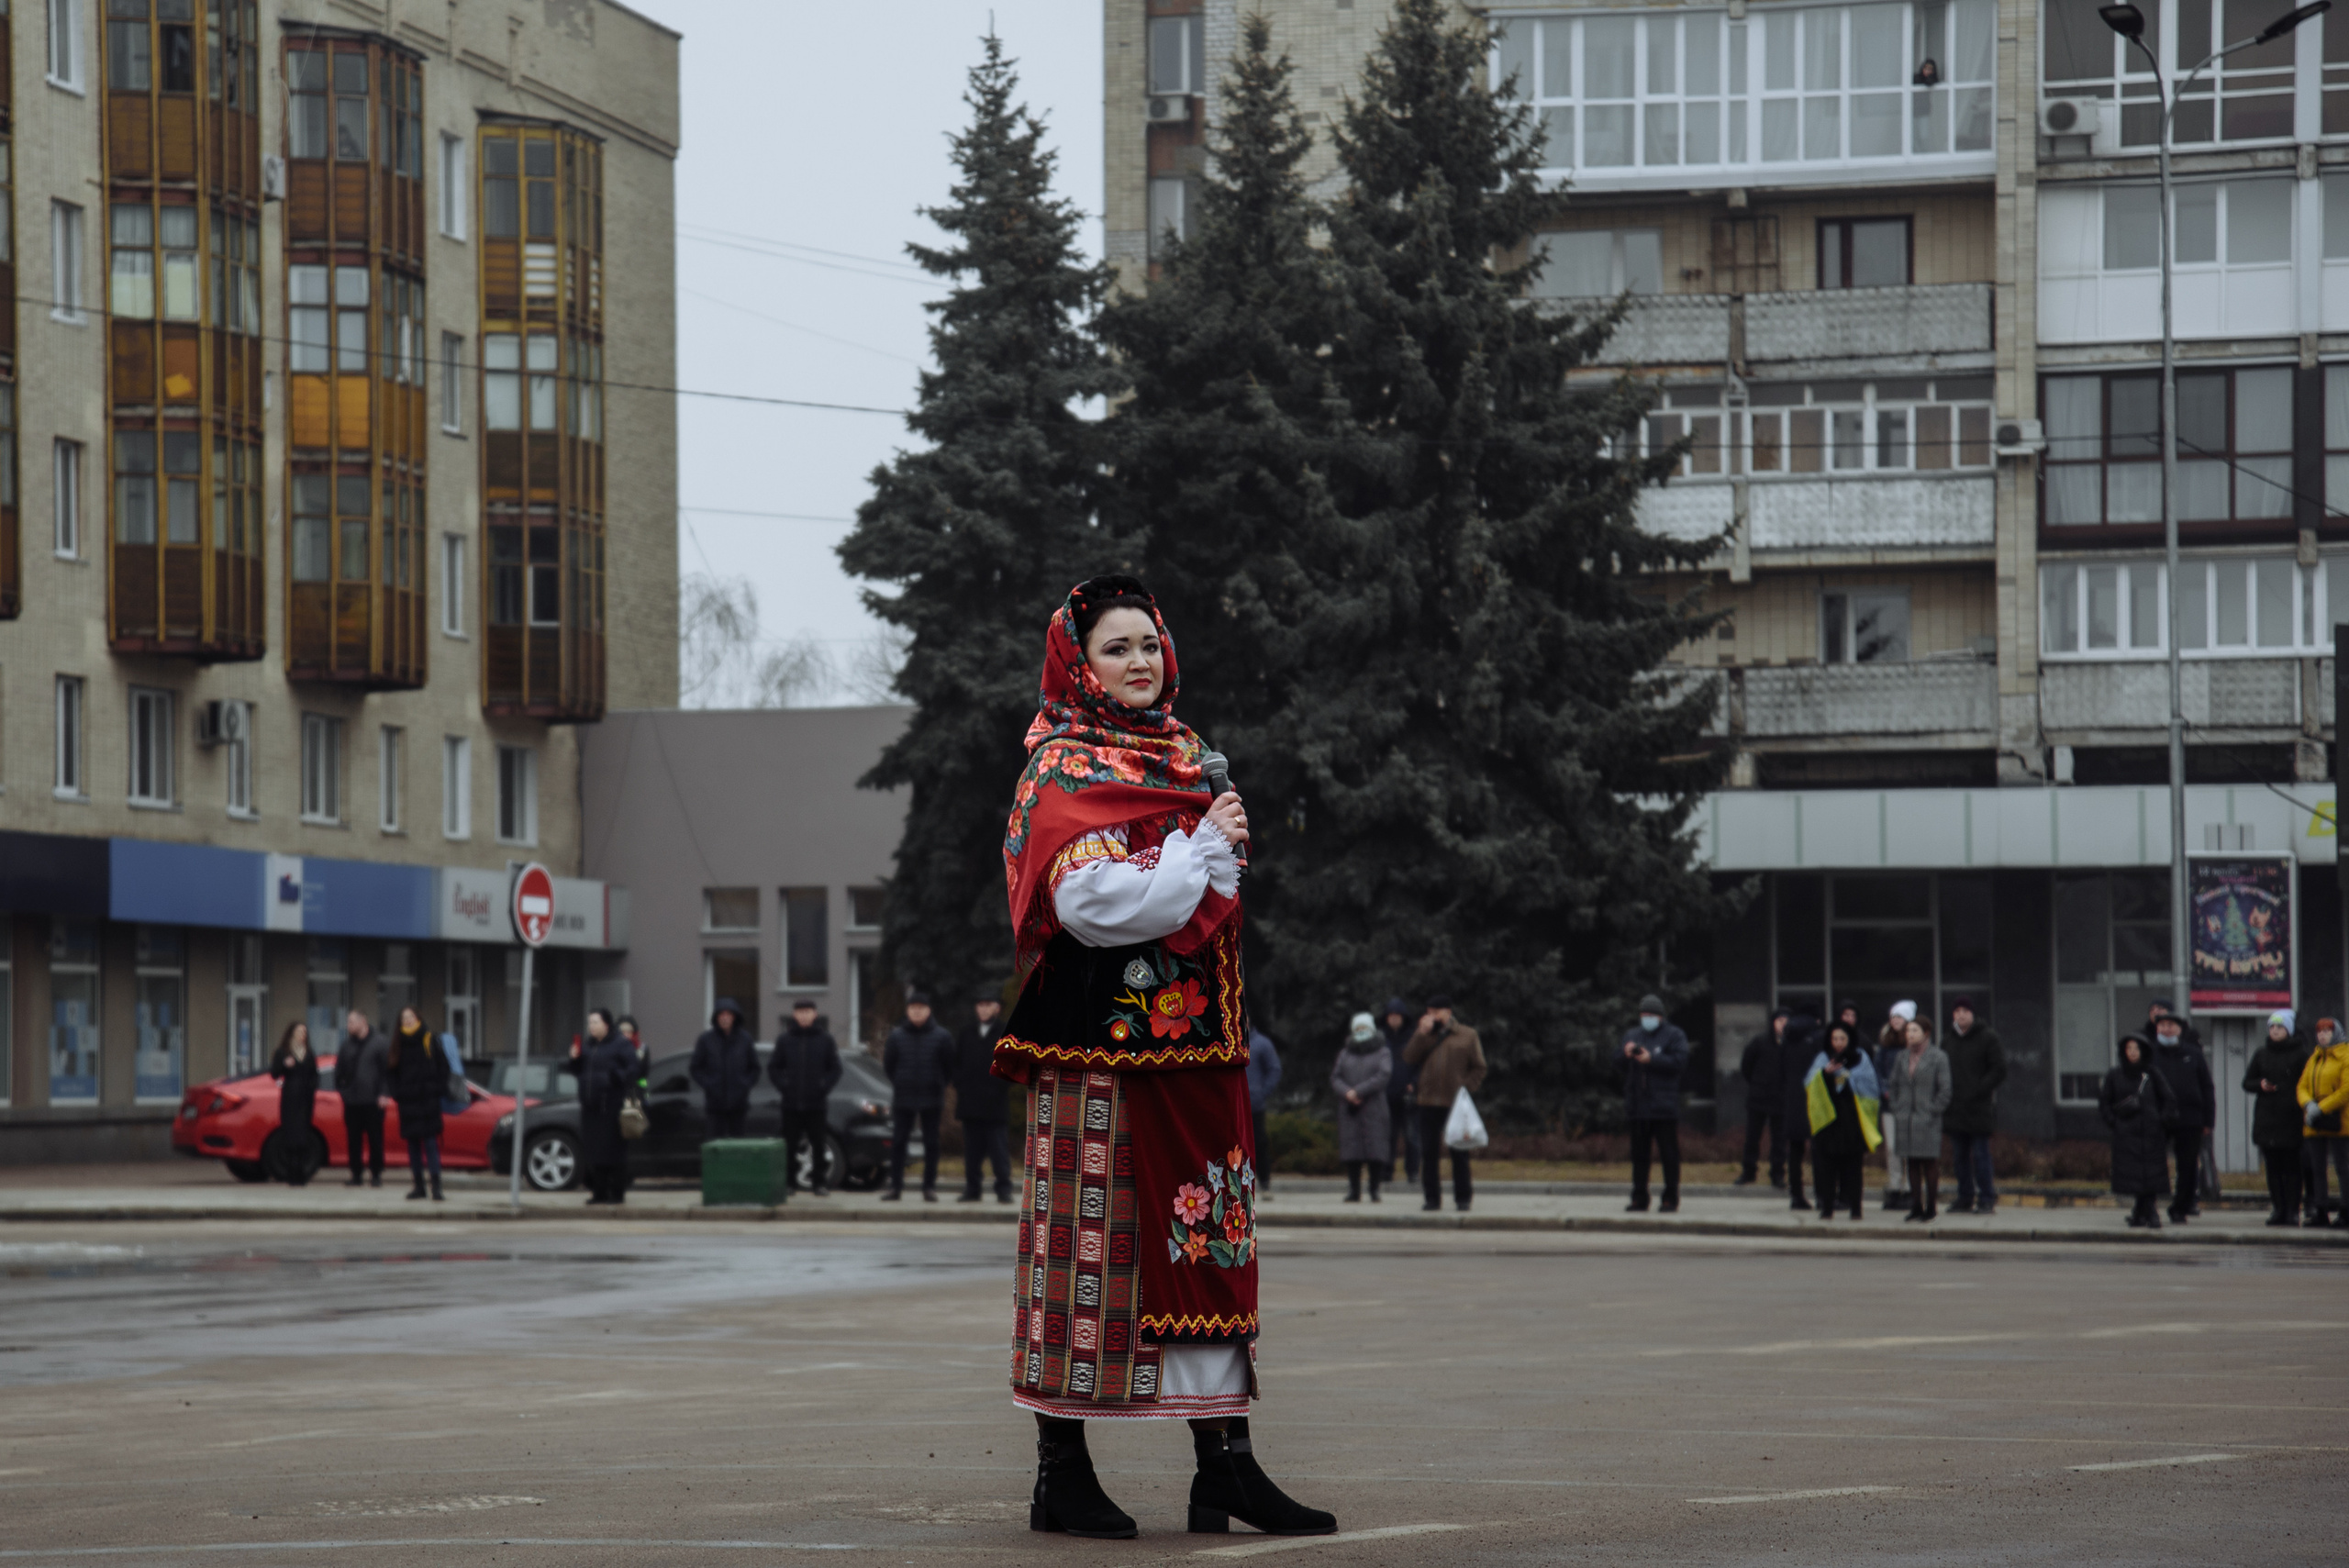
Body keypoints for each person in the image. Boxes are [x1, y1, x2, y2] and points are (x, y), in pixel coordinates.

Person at [990, 576, 1331, 1539]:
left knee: (1208, 1238)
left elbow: (1210, 884)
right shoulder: (1060, 766)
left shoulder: (1186, 756)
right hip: (1096, 1050)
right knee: (1087, 1246)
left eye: (1149, 643)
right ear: (1079, 665)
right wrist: (1198, 847)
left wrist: (1204, 842)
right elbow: (1091, 905)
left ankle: (1225, 1465)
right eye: (1116, 647)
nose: (1139, 661)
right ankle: (1061, 1473)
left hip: (1197, 1045)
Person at [1405, 995, 1486, 1213]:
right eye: (1429, 1012)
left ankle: (1463, 1198)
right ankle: (1432, 1199)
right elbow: (1409, 1057)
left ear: (1448, 1012)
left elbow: (1479, 1067)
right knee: (1429, 1153)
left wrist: (1466, 1087)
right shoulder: (1425, 1034)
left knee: (1459, 1152)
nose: (1431, 1016)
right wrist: (1421, 1034)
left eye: (1436, 1012)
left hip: (1454, 1103)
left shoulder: (1467, 1035)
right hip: (1427, 1101)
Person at [883, 992, 955, 1202]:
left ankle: (929, 1187)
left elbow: (950, 1066)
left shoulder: (942, 1036)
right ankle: (895, 1187)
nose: (916, 1012)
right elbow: (889, 1065)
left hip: (932, 1097)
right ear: (907, 1011)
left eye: (920, 1008)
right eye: (912, 1008)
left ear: (928, 1010)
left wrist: (939, 1083)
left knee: (931, 1143)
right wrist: (900, 1081)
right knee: (898, 1142)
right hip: (903, 1097)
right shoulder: (896, 1036)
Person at [1804, 1021, 1879, 1221]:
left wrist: (1848, 1077)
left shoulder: (1860, 1058)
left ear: (1850, 1040)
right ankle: (1827, 1208)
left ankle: (1856, 1208)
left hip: (1852, 1120)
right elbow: (1810, 1084)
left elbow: (1870, 1086)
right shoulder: (1823, 1058)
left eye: (1842, 1039)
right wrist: (1826, 1075)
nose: (1838, 1043)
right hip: (1828, 1121)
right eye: (1835, 1039)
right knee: (1827, 1168)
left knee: (1853, 1168)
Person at [1620, 994, 1688, 1214]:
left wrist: (1652, 1059)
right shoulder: (1633, 1035)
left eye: (1651, 1015)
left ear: (1660, 1016)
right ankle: (1639, 1198)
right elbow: (1616, 1061)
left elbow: (1679, 1061)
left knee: (1669, 1155)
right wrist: (1625, 1053)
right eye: (1643, 1014)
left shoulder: (1674, 1035)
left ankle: (1670, 1198)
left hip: (1663, 1107)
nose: (1646, 1018)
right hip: (1638, 1107)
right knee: (1639, 1156)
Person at [2147, 1006, 2215, 1223]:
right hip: (2158, 1118)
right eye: (2163, 1025)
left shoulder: (2193, 1054)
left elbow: (2207, 1087)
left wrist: (2208, 1120)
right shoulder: (2149, 1054)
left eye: (2171, 1025)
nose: (2167, 1029)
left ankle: (2181, 1207)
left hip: (2190, 1119)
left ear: (2180, 1029)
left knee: (2187, 1166)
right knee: (2152, 1163)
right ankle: (2148, 1207)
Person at [769, 998, 843, 1195]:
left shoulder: (825, 1040)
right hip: (791, 1104)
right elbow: (774, 1068)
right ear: (794, 1015)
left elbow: (835, 1069)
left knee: (818, 1144)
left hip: (816, 1104)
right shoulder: (785, 1040)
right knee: (790, 1145)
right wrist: (784, 1086)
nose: (803, 1016)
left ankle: (819, 1184)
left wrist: (823, 1086)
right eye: (800, 1012)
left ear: (814, 1014)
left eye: (807, 1012)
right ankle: (789, 1183)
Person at [2244, 1011, 2312, 1228]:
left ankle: (2293, 1210)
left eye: (2280, 1027)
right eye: (2272, 1027)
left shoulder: (2301, 1055)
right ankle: (2278, 1209)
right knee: (2272, 1169)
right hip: (2267, 1118)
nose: (2275, 1031)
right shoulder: (2262, 1053)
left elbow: (2308, 1083)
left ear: (2289, 1030)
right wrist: (2260, 1085)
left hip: (2291, 1118)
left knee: (2292, 1168)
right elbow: (2247, 1082)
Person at [1883, 1016, 1953, 1222]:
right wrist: (1897, 1108)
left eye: (1914, 1031)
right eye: (1908, 1031)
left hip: (1927, 1118)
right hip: (1906, 1118)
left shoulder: (1938, 1057)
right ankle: (1916, 1206)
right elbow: (1893, 1084)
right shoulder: (1902, 1057)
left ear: (1926, 1033)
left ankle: (1931, 1207)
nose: (1910, 1035)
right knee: (1911, 1162)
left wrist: (1933, 1110)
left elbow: (1945, 1089)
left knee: (1929, 1162)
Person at [2101, 1033, 2175, 1229]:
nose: (2133, 1053)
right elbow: (2105, 1103)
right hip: (2127, 1136)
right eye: (2129, 1049)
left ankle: (2145, 1213)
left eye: (2136, 1049)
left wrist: (2161, 1121)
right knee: (2134, 1176)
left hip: (2151, 1135)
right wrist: (2115, 1123)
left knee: (2150, 1175)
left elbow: (2169, 1099)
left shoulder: (2152, 1074)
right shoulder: (2115, 1075)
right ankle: (2145, 1213)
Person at [1942, 996, 2006, 1215]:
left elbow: (1999, 1069)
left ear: (1972, 1014)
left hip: (1979, 1108)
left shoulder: (1987, 1037)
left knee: (1980, 1156)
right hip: (1955, 1109)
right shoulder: (1948, 1040)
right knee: (1959, 1157)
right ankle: (1964, 1197)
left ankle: (1986, 1198)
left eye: (1965, 1011)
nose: (1961, 1015)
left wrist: (1980, 1088)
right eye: (1957, 1011)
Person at [954, 987, 1013, 1204]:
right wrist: (961, 1085)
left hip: (995, 1104)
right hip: (970, 1103)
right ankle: (972, 1189)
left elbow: (1011, 1065)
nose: (984, 1009)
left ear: (997, 1008)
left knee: (998, 1150)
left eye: (988, 1005)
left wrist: (999, 1087)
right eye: (980, 1005)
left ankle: (1003, 1189)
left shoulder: (1005, 1032)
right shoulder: (966, 1032)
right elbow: (956, 1063)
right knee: (972, 1151)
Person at [386, 1006, 451, 1202]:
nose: (407, 1020)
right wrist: (398, 1094)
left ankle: (436, 1187)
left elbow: (444, 1067)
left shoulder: (429, 1039)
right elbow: (391, 1072)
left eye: (410, 1016)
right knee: (413, 1146)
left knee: (431, 1144)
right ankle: (419, 1186)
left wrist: (436, 1089)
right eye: (404, 1017)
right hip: (408, 1102)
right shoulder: (398, 1043)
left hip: (428, 1100)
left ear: (417, 1018)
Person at [1331, 1013, 1391, 1204]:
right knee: (1352, 1151)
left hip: (1374, 1108)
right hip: (1350, 1109)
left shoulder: (1382, 1052)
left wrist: (1359, 1091)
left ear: (1372, 1029)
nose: (1361, 1031)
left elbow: (1383, 1075)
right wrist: (1347, 1092)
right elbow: (1336, 1077)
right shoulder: (1345, 1053)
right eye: (1358, 1028)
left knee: (1375, 1150)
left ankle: (1374, 1190)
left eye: (1364, 1028)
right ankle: (1354, 1190)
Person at [2298, 1017, 2349, 1226]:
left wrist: (2322, 1107)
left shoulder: (2345, 1056)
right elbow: (2301, 1086)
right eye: (2319, 1032)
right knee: (2317, 1168)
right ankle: (2321, 1211)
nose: (2323, 1035)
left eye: (2327, 1031)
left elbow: (2345, 1090)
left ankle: (2346, 1211)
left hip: (2340, 1122)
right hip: (2315, 1123)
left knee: (2343, 1168)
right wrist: (2308, 1104)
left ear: (2336, 1033)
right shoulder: (2315, 1058)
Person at [331, 1007, 388, 1187]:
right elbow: (339, 1070)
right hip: (352, 1101)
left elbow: (386, 1072)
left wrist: (384, 1093)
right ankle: (356, 1174)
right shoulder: (346, 1045)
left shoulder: (380, 1043)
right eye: (348, 1022)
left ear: (363, 1021)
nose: (348, 1025)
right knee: (353, 1140)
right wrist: (343, 1091)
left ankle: (376, 1174)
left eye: (351, 1022)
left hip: (373, 1101)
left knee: (375, 1139)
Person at [690, 998, 759, 1140]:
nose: (725, 1018)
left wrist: (744, 1084)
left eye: (729, 1014)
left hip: (739, 1105)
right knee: (715, 1144)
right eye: (721, 1014)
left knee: (738, 1145)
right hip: (715, 1106)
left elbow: (755, 1068)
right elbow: (695, 1068)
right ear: (716, 1017)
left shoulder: (745, 1039)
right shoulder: (706, 1040)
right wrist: (709, 1084)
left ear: (735, 1017)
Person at [1735, 1007, 1788, 1187]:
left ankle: (1777, 1174)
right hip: (1758, 1098)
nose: (1783, 1025)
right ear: (1773, 1023)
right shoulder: (1759, 1042)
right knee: (1752, 1137)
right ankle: (1748, 1172)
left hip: (1780, 1099)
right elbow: (1746, 1066)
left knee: (1779, 1140)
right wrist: (1757, 1083)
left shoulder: (1790, 1044)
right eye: (1779, 1021)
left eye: (1786, 1021)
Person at [269, 1021, 320, 1186]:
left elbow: (314, 1075)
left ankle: (301, 1173)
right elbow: (274, 1073)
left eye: (304, 1032)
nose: (302, 1035)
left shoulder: (309, 1053)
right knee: (290, 1136)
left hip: (305, 1100)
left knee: (303, 1136)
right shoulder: (283, 1052)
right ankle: (291, 1173)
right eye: (299, 1032)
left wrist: (312, 1088)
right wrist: (285, 1065)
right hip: (290, 1098)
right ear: (291, 1034)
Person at [1877, 1001, 1917, 1212]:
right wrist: (1884, 1090)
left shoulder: (1915, 1045)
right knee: (1892, 1148)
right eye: (1893, 1017)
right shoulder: (1885, 1045)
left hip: (1910, 1104)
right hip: (1889, 1104)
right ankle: (1894, 1187)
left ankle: (1911, 1188)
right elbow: (1878, 1071)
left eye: (1899, 1017)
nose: (1895, 1020)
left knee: (1909, 1147)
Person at [1779, 1008, 1820, 1210]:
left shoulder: (1787, 1042)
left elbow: (1780, 1071)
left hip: (1792, 1100)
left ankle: (1796, 1195)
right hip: (1814, 1099)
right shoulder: (1816, 1040)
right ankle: (1823, 1195)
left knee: (1795, 1152)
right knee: (1819, 1150)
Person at [1378, 998, 1419, 1185]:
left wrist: (1414, 1082)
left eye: (1397, 1015)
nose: (1394, 1019)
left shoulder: (1413, 1037)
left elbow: (1421, 1063)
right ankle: (1386, 1171)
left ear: (1403, 1017)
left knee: (1411, 1135)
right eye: (1391, 1015)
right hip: (1386, 1093)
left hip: (1408, 1094)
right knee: (1388, 1135)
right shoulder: (1381, 1038)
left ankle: (1412, 1171)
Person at [1246, 1024, 1283, 1196]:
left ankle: (1264, 1182)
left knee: (1259, 1144)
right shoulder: (1227, 1042)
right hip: (1232, 1105)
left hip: (1254, 1104)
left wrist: (1261, 1094)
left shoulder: (1262, 1043)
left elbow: (1274, 1069)